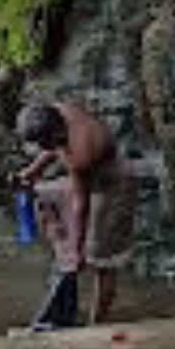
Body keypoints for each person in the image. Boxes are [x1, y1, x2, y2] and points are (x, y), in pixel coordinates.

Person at [14, 101, 135, 326]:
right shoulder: (57, 112)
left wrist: (78, 250)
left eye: (43, 142)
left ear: (57, 132)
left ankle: (96, 324)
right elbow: (53, 150)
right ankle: (65, 260)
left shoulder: (81, 151)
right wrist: (32, 172)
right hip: (87, 177)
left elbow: (82, 204)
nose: (42, 147)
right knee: (40, 195)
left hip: (114, 186)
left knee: (102, 259)